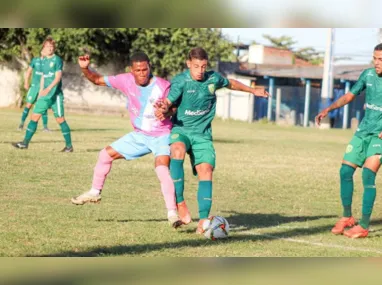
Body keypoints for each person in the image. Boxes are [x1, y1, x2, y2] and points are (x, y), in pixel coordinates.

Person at [155, 47, 269, 234]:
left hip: (203, 135)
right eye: (196, 66)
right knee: (177, 150)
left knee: (206, 170)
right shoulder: (181, 81)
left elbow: (230, 83)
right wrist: (163, 106)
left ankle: (203, 219)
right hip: (181, 130)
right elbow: (169, 100)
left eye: (203, 66)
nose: (200, 70)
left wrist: (252, 90)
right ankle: (180, 202)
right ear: (188, 64)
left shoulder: (213, 78)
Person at [71, 52, 182, 228]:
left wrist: (166, 111)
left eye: (145, 69)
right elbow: (97, 80)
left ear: (149, 67)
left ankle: (172, 214)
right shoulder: (125, 80)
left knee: (161, 170)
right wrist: (85, 69)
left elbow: (175, 108)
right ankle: (94, 192)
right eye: (138, 70)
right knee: (104, 155)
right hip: (139, 136)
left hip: (161, 136)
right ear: (132, 70)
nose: (142, 73)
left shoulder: (163, 85)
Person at [315, 43, 382, 238]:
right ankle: (347, 217)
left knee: (368, 175)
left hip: (379, 136)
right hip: (363, 131)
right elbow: (349, 96)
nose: (376, 63)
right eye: (375, 59)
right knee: (345, 170)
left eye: (381, 60)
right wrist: (329, 109)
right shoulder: (368, 75)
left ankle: (364, 225)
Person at [12, 36, 73, 152]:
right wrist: (41, 91)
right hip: (45, 96)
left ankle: (69, 146)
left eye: (52, 47)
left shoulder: (57, 60)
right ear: (44, 48)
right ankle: (25, 143)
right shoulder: (43, 61)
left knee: (60, 120)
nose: (50, 48)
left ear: (54, 48)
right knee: (34, 117)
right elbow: (43, 78)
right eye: (47, 46)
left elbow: (58, 77)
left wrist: (49, 88)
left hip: (55, 96)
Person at [18, 49, 50, 132]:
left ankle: (45, 127)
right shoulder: (35, 60)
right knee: (28, 105)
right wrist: (26, 82)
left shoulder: (50, 62)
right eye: (43, 50)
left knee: (43, 107)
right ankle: (21, 124)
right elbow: (29, 72)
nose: (44, 51)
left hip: (43, 88)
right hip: (34, 87)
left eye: (45, 50)